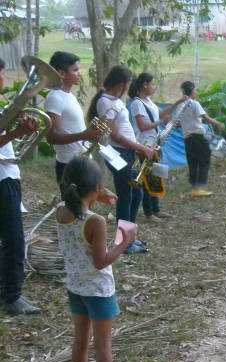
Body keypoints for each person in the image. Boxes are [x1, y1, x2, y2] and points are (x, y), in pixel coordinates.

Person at [57, 157, 136, 362]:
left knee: (81, 339)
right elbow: (101, 262)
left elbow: (78, 205)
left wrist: (93, 196)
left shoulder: (62, 210)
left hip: (75, 287)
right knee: (103, 345)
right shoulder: (96, 222)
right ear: (95, 187)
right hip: (98, 291)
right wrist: (125, 242)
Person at [87, 65, 154, 254]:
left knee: (136, 193)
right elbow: (113, 134)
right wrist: (140, 147)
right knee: (126, 195)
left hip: (128, 153)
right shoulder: (106, 102)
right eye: (129, 82)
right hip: (118, 153)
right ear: (122, 83)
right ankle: (123, 242)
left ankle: (129, 237)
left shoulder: (111, 100)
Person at [0, 58, 42, 315]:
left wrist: (23, 129)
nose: (2, 79)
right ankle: (13, 295)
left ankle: (7, 289)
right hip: (2, 179)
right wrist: (16, 133)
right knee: (15, 240)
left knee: (9, 239)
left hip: (8, 175)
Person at [128, 73, 187, 223]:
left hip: (155, 144)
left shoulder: (148, 101)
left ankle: (156, 209)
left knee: (155, 178)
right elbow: (142, 126)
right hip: (144, 145)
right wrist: (161, 121)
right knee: (148, 179)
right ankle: (149, 213)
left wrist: (177, 103)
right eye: (153, 84)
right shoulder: (137, 103)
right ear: (145, 85)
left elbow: (160, 113)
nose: (154, 87)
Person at [44, 51, 101, 194]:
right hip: (69, 165)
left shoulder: (69, 96)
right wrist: (83, 135)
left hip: (81, 161)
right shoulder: (55, 98)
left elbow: (72, 129)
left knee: (84, 210)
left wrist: (89, 131)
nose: (79, 73)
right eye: (75, 70)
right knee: (75, 212)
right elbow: (51, 137)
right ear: (62, 73)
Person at [176, 81, 226, 197]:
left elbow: (178, 124)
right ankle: (200, 187)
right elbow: (206, 118)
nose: (196, 92)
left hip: (187, 138)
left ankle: (193, 186)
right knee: (204, 158)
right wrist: (219, 123)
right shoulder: (194, 104)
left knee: (192, 161)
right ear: (192, 91)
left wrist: (187, 124)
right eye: (195, 90)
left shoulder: (180, 105)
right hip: (197, 136)